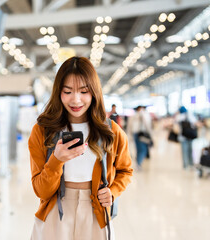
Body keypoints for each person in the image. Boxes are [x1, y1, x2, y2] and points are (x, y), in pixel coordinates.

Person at [28, 57, 133, 240]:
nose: (76, 100)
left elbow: (126, 170)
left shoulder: (111, 131)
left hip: (95, 212)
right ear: (58, 92)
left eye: (84, 91)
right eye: (67, 91)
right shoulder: (42, 131)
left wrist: (113, 191)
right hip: (55, 210)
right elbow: (41, 191)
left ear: (94, 92)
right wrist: (56, 160)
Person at [127, 106, 152, 170]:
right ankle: (139, 163)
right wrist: (150, 135)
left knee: (138, 149)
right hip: (142, 134)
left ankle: (138, 162)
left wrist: (129, 135)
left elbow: (129, 126)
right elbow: (147, 125)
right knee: (143, 149)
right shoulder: (144, 115)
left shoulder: (132, 116)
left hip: (135, 134)